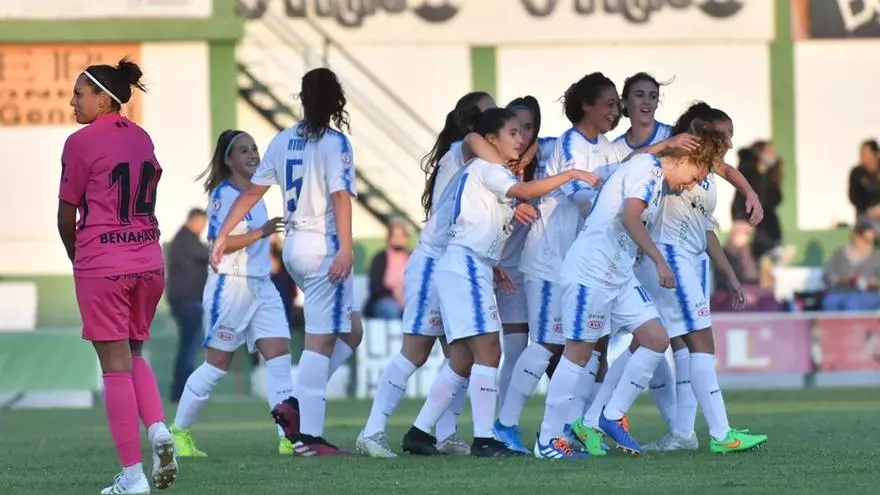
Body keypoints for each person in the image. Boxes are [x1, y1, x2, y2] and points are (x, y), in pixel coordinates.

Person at [399, 107, 602, 457]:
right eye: (512, 132)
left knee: (462, 359)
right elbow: (523, 189)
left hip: (469, 265)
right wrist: (571, 174)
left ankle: (418, 432)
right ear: (491, 139)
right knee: (489, 351)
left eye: (522, 133)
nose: (520, 138)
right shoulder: (489, 169)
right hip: (465, 267)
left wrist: (492, 264)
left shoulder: (487, 173)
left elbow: (477, 222)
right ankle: (484, 438)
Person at [535, 126, 729, 460]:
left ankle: (610, 415)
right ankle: (548, 439)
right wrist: (659, 260)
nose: (692, 185)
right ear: (685, 159)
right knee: (578, 353)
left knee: (656, 338)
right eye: (696, 176)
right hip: (591, 273)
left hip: (618, 275)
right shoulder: (647, 170)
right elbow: (629, 218)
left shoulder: (652, 173)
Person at [211, 68, 362, 456]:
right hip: (324, 246)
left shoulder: (282, 140)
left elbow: (251, 193)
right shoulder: (336, 142)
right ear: (335, 99)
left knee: (352, 330)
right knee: (319, 342)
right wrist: (346, 248)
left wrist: (223, 234)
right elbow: (341, 196)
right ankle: (308, 435)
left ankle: (295, 403)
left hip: (294, 247)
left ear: (302, 98)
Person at [357, 92, 508, 458]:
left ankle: (443, 432)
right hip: (433, 262)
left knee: (461, 355)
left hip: (454, 263)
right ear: (473, 124)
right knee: (416, 351)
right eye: (491, 116)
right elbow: (475, 142)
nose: (500, 124)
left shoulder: (480, 164)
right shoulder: (463, 149)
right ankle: (371, 431)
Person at [611, 103, 768, 454]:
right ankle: (721, 434)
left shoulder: (707, 168)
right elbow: (632, 163)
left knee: (665, 344)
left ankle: (680, 432)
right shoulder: (677, 157)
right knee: (698, 343)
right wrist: (667, 145)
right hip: (671, 257)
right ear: (702, 133)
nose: (730, 142)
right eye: (724, 134)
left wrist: (730, 274)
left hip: (692, 261)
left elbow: (706, 226)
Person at [57, 57, 177, 494]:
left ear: (103, 99)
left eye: (79, 94)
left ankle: (133, 476)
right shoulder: (142, 137)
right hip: (148, 260)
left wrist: (79, 259)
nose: (72, 102)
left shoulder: (80, 142)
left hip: (104, 262)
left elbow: (66, 216)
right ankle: (158, 428)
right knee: (135, 353)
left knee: (114, 369)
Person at [169, 129, 295, 457]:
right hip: (231, 287)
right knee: (217, 366)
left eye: (254, 148)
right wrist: (259, 233)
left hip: (262, 285)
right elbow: (219, 244)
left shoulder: (256, 193)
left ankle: (289, 437)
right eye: (243, 150)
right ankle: (178, 432)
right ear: (228, 160)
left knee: (279, 358)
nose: (253, 154)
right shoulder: (223, 196)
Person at [165, 208, 209, 402]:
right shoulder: (187, 240)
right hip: (188, 301)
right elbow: (211, 254)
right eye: (202, 223)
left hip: (186, 300)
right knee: (189, 348)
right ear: (195, 221)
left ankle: (181, 392)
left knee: (188, 346)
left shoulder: (184, 240)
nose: (203, 228)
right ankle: (182, 392)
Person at [732, 141, 782, 260]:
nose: (772, 155)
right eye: (769, 152)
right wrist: (742, 221)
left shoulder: (770, 175)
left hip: (764, 227)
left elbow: (774, 200)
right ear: (759, 153)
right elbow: (740, 200)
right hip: (746, 220)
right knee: (744, 257)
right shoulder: (746, 172)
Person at [821, 222, 880, 311]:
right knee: (829, 302)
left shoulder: (877, 256)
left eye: (872, 241)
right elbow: (827, 276)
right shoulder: (840, 253)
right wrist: (843, 280)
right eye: (866, 240)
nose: (869, 244)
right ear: (856, 236)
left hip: (868, 294)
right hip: (840, 292)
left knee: (852, 303)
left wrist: (871, 283)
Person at [612, 72, 673, 156]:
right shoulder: (615, 150)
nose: (647, 101)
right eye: (640, 95)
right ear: (624, 101)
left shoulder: (673, 135)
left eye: (653, 96)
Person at [363, 219, 412, 319]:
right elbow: (375, 287)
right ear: (389, 238)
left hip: (409, 299)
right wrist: (393, 292)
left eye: (402, 235)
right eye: (395, 235)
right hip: (385, 299)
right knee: (392, 309)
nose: (398, 239)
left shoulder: (413, 258)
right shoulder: (380, 258)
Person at [848, 140, 880, 228]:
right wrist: (871, 209)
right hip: (866, 214)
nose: (862, 157)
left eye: (866, 154)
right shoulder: (857, 173)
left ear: (876, 154)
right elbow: (854, 197)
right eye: (861, 153)